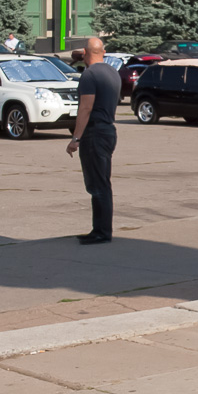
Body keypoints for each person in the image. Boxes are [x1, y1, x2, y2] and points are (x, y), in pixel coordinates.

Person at [67, 38, 120, 244]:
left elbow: (86, 108)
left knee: (97, 185)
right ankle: (100, 229)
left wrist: (75, 138)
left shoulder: (89, 74)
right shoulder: (112, 72)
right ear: (103, 52)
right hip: (108, 131)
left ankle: (102, 232)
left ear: (85, 52)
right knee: (102, 182)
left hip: (95, 134)